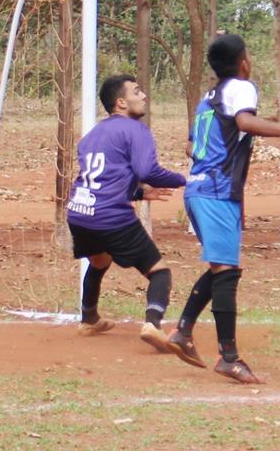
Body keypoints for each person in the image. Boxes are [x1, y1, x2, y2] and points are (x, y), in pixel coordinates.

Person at [166, 34, 280, 384]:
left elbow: (192, 146)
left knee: (222, 268)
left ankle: (183, 332)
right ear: (243, 62)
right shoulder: (241, 87)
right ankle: (229, 357)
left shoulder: (209, 97)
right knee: (227, 272)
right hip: (215, 191)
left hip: (201, 189)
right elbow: (246, 123)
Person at [67, 74, 186, 352]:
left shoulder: (91, 136)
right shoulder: (136, 129)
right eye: (137, 91)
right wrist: (185, 180)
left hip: (80, 213)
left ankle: (88, 319)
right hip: (111, 216)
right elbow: (147, 171)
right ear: (121, 102)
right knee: (160, 273)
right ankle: (153, 324)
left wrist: (140, 193)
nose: (143, 96)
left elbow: (102, 178)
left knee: (98, 263)